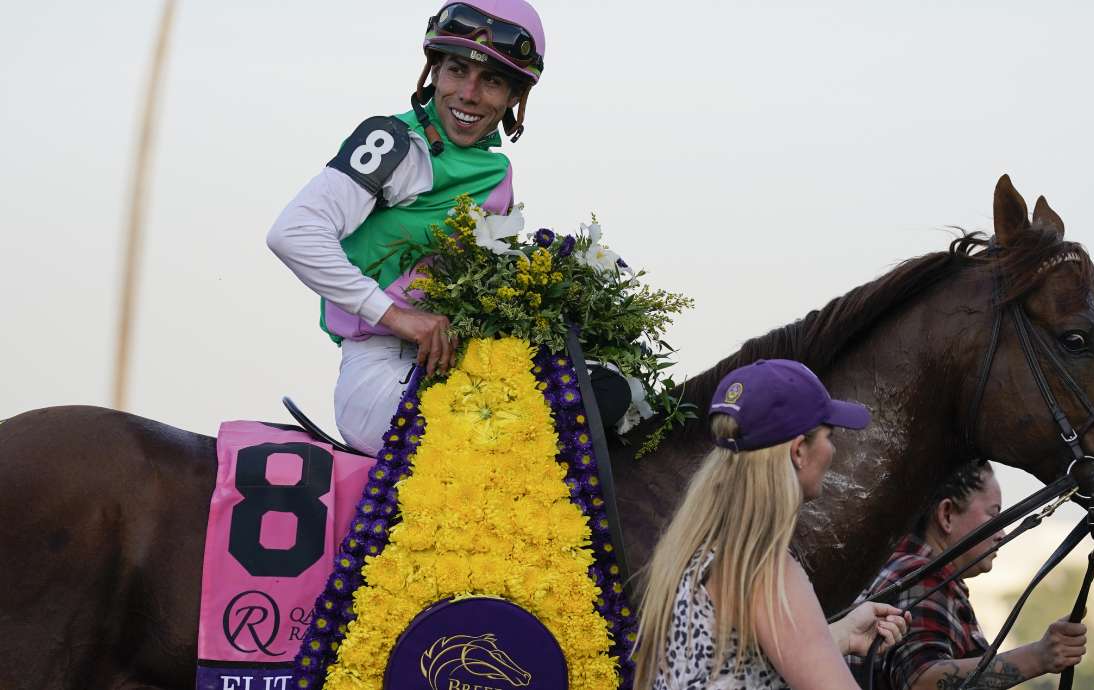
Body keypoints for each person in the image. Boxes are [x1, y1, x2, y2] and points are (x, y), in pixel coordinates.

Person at [267, 1, 628, 455]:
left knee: (612, 394)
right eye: (458, 70)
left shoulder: (497, 176)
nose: (469, 94)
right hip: (378, 373)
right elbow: (293, 232)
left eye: (492, 80)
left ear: (515, 97)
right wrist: (398, 317)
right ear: (434, 71)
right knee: (506, 430)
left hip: (464, 366)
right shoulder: (394, 142)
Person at [633, 359, 910, 690]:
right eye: (829, 435)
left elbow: (735, 671)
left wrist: (840, 634)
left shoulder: (697, 551)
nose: (833, 449)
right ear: (798, 452)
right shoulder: (766, 570)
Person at [845, 460, 1089, 690]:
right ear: (947, 515)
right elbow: (919, 680)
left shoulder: (899, 569)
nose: (1002, 533)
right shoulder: (921, 576)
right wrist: (1038, 657)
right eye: (993, 514)